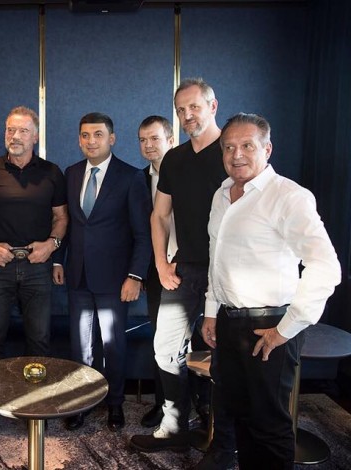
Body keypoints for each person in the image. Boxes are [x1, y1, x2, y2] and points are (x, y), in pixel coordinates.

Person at [203, 112, 341, 468]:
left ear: (267, 149)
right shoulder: (221, 194)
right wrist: (211, 311)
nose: (237, 155)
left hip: (269, 325)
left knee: (269, 426)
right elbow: (217, 258)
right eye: (228, 147)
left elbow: (326, 265)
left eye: (247, 146)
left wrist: (286, 329)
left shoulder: (289, 196)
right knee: (238, 414)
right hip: (228, 321)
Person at [130, 78, 235, 470]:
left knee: (225, 356)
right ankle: (175, 425)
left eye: (194, 107)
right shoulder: (174, 159)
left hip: (230, 273)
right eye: (181, 110)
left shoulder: (232, 151)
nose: (188, 115)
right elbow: (159, 216)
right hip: (185, 268)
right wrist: (160, 263)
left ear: (212, 106)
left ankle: (224, 442)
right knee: (165, 346)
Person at [0, 106, 67, 434]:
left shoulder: (52, 173)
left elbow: (62, 218)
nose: (15, 136)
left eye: (23, 130)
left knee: (38, 339)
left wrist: (51, 245)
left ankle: (34, 407)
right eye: (10, 130)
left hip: (37, 267)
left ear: (35, 136)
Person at [58, 112, 151, 432]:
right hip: (78, 276)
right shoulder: (71, 173)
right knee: (80, 346)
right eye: (85, 135)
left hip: (116, 279)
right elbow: (69, 224)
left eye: (98, 135)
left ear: (112, 139)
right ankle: (82, 403)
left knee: (113, 345)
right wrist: (58, 260)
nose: (91, 141)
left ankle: (115, 404)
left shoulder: (130, 177)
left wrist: (135, 276)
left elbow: (143, 234)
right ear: (79, 140)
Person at [136, 116, 176, 427]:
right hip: (156, 271)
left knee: (198, 341)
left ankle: (201, 405)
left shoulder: (189, 174)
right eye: (143, 140)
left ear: (170, 140)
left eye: (155, 138)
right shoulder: (138, 179)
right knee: (160, 340)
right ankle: (163, 405)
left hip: (192, 269)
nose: (148, 145)